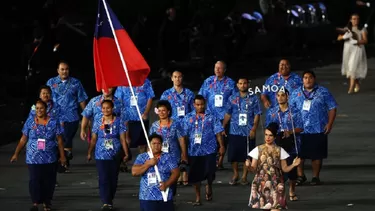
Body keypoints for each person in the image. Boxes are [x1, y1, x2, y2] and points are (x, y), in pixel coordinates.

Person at [10, 99, 66, 211]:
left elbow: (59, 140)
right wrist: (16, 153)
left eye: (42, 108)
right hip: (33, 158)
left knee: (49, 181)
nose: (39, 110)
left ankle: (47, 202)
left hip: (49, 157)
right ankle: (35, 202)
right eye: (37, 108)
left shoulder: (54, 122)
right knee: (34, 179)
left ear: (46, 109)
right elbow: (23, 139)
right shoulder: (30, 121)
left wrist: (62, 156)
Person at [289, 70, 338, 186]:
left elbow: (332, 108)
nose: (308, 80)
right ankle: (300, 175)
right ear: (302, 80)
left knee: (316, 154)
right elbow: (290, 110)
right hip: (300, 129)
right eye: (305, 78)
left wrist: (329, 124)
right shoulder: (295, 93)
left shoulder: (323, 92)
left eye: (310, 77)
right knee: (299, 154)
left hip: (318, 128)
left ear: (314, 79)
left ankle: (316, 177)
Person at [182, 95, 225, 206]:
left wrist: (221, 146)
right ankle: (197, 197)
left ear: (205, 104)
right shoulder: (188, 118)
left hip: (209, 150)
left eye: (202, 104)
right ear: (194, 105)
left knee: (210, 172)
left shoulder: (211, 117)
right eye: (198, 105)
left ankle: (209, 185)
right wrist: (184, 152)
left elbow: (218, 132)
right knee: (195, 175)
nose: (200, 106)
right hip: (193, 151)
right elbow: (184, 136)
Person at [246, 123, 301, 210]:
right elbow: (253, 169)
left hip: (277, 184)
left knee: (276, 208)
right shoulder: (258, 149)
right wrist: (248, 166)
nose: (268, 137)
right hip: (261, 184)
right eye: (266, 135)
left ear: (275, 137)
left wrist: (293, 165)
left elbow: (285, 169)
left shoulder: (279, 150)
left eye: (270, 135)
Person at [87, 100, 130, 210]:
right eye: (103, 108)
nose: (106, 110)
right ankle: (106, 202)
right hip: (100, 154)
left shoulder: (119, 121)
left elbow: (122, 139)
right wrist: (89, 152)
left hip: (115, 154)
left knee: (113, 178)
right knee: (103, 177)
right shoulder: (97, 121)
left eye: (108, 108)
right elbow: (93, 138)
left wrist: (126, 153)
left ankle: (109, 199)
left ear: (112, 108)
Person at [46, 61, 88, 171]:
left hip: (71, 116)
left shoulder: (75, 83)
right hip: (55, 116)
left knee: (67, 138)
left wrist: (87, 116)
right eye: (62, 69)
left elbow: (82, 99)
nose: (65, 71)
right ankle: (62, 159)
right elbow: (45, 98)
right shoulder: (51, 82)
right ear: (58, 70)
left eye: (67, 69)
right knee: (56, 139)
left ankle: (64, 159)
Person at [265, 89, 304, 201]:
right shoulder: (271, 112)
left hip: (291, 143)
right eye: (278, 95)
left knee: (291, 170)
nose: (280, 97)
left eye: (283, 95)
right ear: (276, 97)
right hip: (277, 143)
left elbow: (301, 127)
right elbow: (268, 128)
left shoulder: (295, 111)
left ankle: (292, 190)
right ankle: (278, 193)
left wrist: (290, 132)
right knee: (276, 170)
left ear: (287, 96)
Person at [222, 77, 261, 185]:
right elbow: (228, 113)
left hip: (248, 131)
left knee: (247, 155)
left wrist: (254, 128)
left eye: (244, 83)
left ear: (248, 84)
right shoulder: (232, 98)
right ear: (237, 85)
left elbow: (257, 114)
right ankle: (235, 174)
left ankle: (244, 176)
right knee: (233, 155)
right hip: (234, 130)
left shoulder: (254, 98)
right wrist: (223, 126)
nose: (243, 85)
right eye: (240, 83)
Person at [198, 61, 236, 169]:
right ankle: (213, 161)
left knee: (223, 140)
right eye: (216, 68)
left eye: (220, 68)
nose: (217, 70)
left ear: (224, 70)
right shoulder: (208, 81)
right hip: (210, 115)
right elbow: (201, 97)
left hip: (224, 117)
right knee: (210, 139)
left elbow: (235, 99)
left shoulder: (230, 83)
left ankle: (220, 161)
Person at [132, 133, 180, 211]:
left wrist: (167, 184)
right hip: (147, 196)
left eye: (159, 143)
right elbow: (134, 172)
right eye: (154, 143)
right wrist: (148, 164)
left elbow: (176, 172)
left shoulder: (168, 157)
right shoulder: (142, 157)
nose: (156, 145)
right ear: (149, 145)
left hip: (164, 195)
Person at [149, 100, 187, 189]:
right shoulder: (154, 126)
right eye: (159, 110)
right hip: (159, 156)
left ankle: (170, 199)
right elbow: (150, 142)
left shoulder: (176, 124)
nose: (161, 113)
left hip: (173, 156)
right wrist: (150, 155)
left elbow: (182, 140)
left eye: (163, 110)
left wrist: (184, 155)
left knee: (172, 180)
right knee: (161, 179)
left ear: (168, 111)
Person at [115, 78, 154, 154]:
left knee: (142, 143)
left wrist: (146, 112)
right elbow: (118, 100)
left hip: (141, 117)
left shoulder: (145, 81)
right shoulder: (122, 82)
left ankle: (142, 161)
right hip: (126, 118)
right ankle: (124, 162)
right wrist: (121, 115)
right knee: (126, 141)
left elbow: (150, 97)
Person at [338, 13, 368, 94]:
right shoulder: (347, 29)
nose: (356, 20)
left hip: (357, 49)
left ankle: (351, 88)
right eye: (354, 19)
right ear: (351, 20)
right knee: (350, 68)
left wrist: (357, 41)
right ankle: (357, 83)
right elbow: (339, 38)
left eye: (357, 19)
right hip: (348, 49)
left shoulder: (362, 29)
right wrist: (344, 36)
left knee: (352, 67)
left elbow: (365, 40)